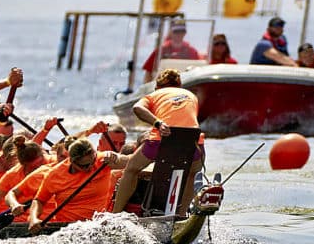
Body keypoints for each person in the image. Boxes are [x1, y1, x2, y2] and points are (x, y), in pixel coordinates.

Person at [113, 68, 202, 218]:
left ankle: (115, 215)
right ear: (179, 86)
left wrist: (157, 123)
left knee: (131, 169)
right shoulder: (191, 96)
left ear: (157, 87)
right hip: (192, 141)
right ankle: (181, 216)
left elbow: (137, 108)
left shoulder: (154, 94)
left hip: (161, 139)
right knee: (191, 174)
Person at [28, 138, 127, 234]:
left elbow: (130, 161)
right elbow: (39, 200)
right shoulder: (55, 175)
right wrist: (33, 219)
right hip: (68, 228)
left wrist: (117, 158)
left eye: (92, 162)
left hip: (97, 225)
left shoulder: (102, 160)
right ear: (71, 161)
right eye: (84, 166)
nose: (90, 168)